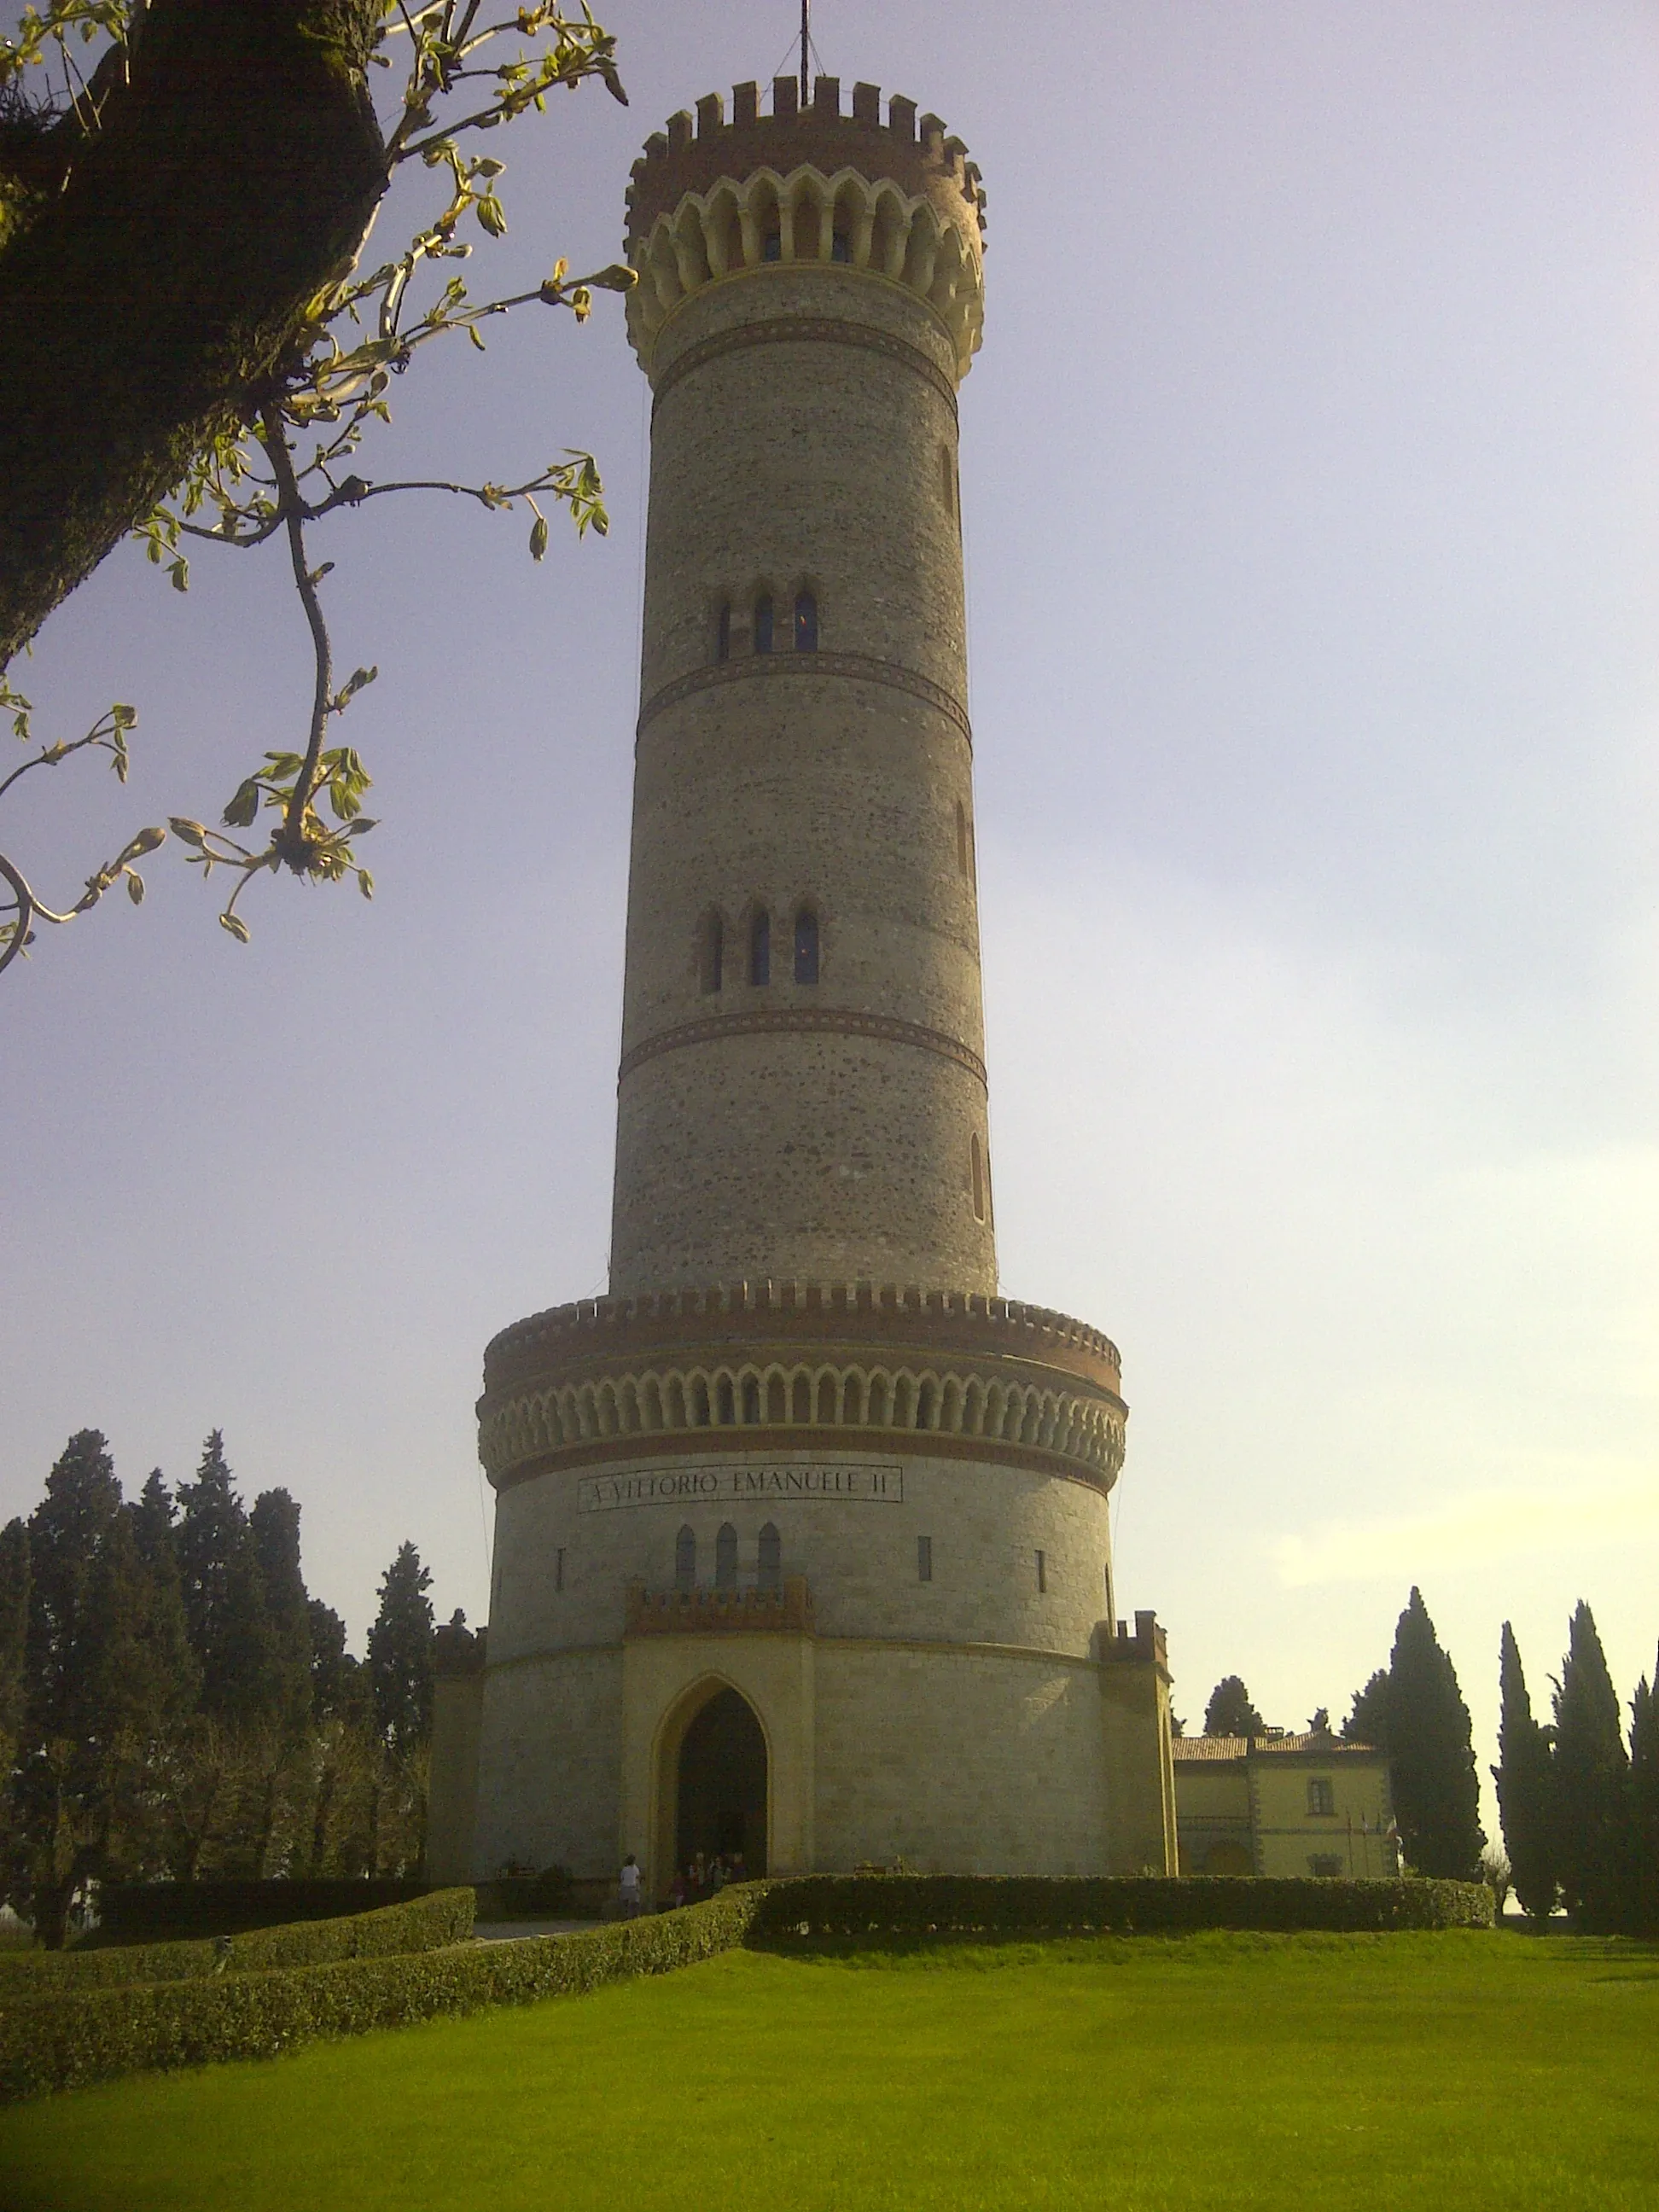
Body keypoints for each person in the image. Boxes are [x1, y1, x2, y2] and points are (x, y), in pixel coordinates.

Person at [619, 1853, 642, 1919]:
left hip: (625, 1886)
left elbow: (622, 1878)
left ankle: (626, 1916)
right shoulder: (636, 1869)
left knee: (626, 1903)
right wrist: (638, 1887)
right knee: (635, 1903)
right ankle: (635, 1916)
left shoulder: (625, 1869)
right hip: (633, 1887)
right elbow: (637, 1878)